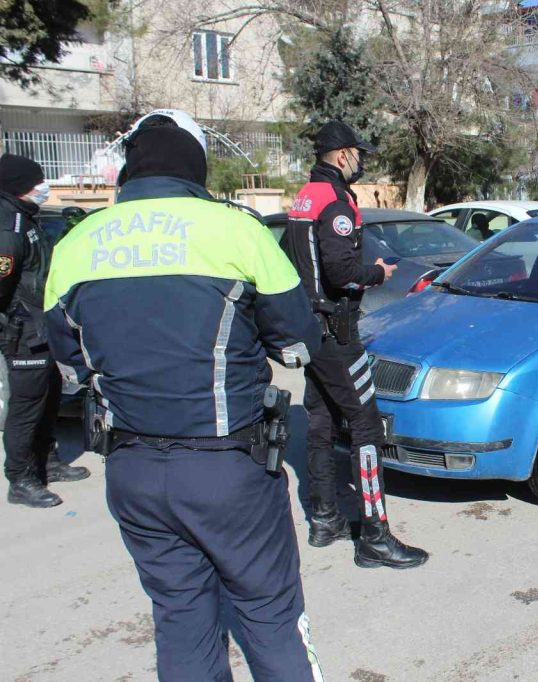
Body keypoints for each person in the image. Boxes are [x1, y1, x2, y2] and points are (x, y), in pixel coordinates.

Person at [44, 110, 326, 681]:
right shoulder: (237, 230)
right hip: (229, 467)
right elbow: (299, 344)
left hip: (133, 470)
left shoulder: (76, 243)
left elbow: (72, 363)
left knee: (181, 620)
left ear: (129, 172)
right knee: (269, 617)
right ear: (196, 169)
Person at [281, 120, 428, 568]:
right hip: (337, 332)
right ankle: (375, 537)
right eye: (358, 153)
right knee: (366, 426)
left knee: (322, 423)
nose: (361, 161)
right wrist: (378, 274)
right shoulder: (335, 201)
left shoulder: (305, 196)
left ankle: (325, 519)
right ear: (343, 155)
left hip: (311, 328)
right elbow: (343, 272)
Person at [1, 153, 90, 508]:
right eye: (37, 182)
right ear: (21, 185)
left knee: (50, 398)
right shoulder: (8, 224)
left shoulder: (26, 217)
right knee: (26, 407)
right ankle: (21, 479)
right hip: (24, 331)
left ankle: (47, 461)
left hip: (42, 327)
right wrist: (17, 320)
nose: (43, 188)